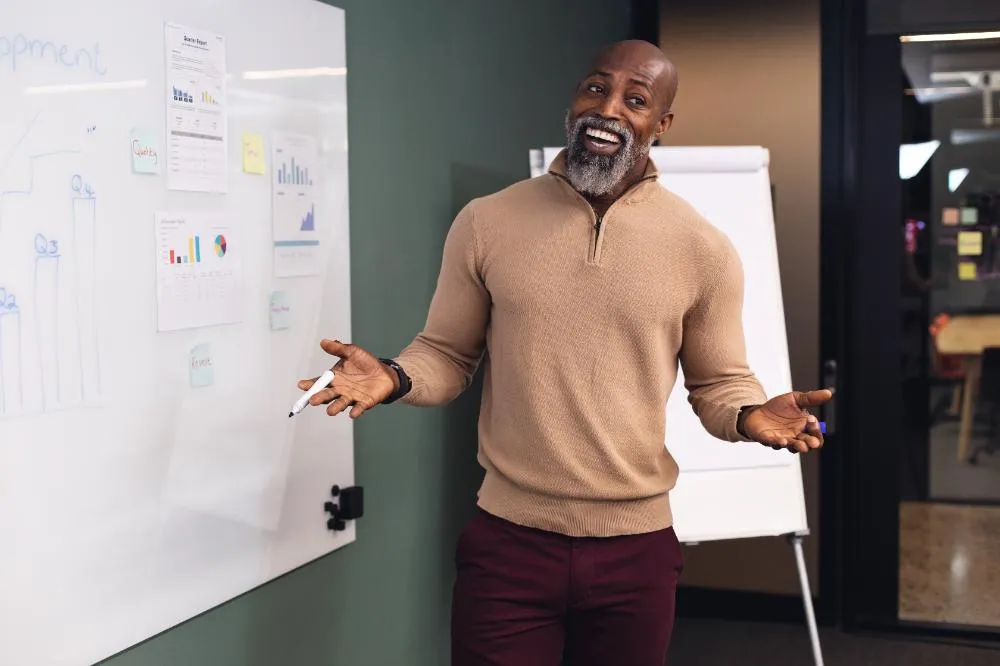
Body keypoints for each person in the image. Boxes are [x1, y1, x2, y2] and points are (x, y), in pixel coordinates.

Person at [298, 39, 832, 666]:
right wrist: (392, 375)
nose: (608, 108)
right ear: (575, 98)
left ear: (660, 126)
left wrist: (748, 416)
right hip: (508, 546)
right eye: (595, 88)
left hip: (637, 550)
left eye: (635, 100)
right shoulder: (487, 221)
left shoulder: (703, 248)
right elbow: (446, 353)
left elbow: (718, 386)